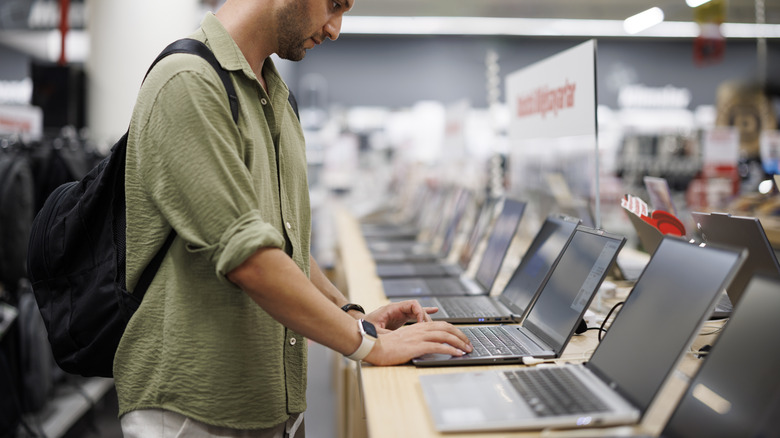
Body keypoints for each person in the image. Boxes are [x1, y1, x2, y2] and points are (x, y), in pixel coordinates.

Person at [115, 0, 473, 436]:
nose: (336, 28)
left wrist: (353, 314)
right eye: (334, 5)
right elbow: (252, 260)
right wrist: (368, 345)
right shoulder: (188, 81)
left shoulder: (276, 95)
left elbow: (287, 245)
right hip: (195, 411)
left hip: (272, 406)